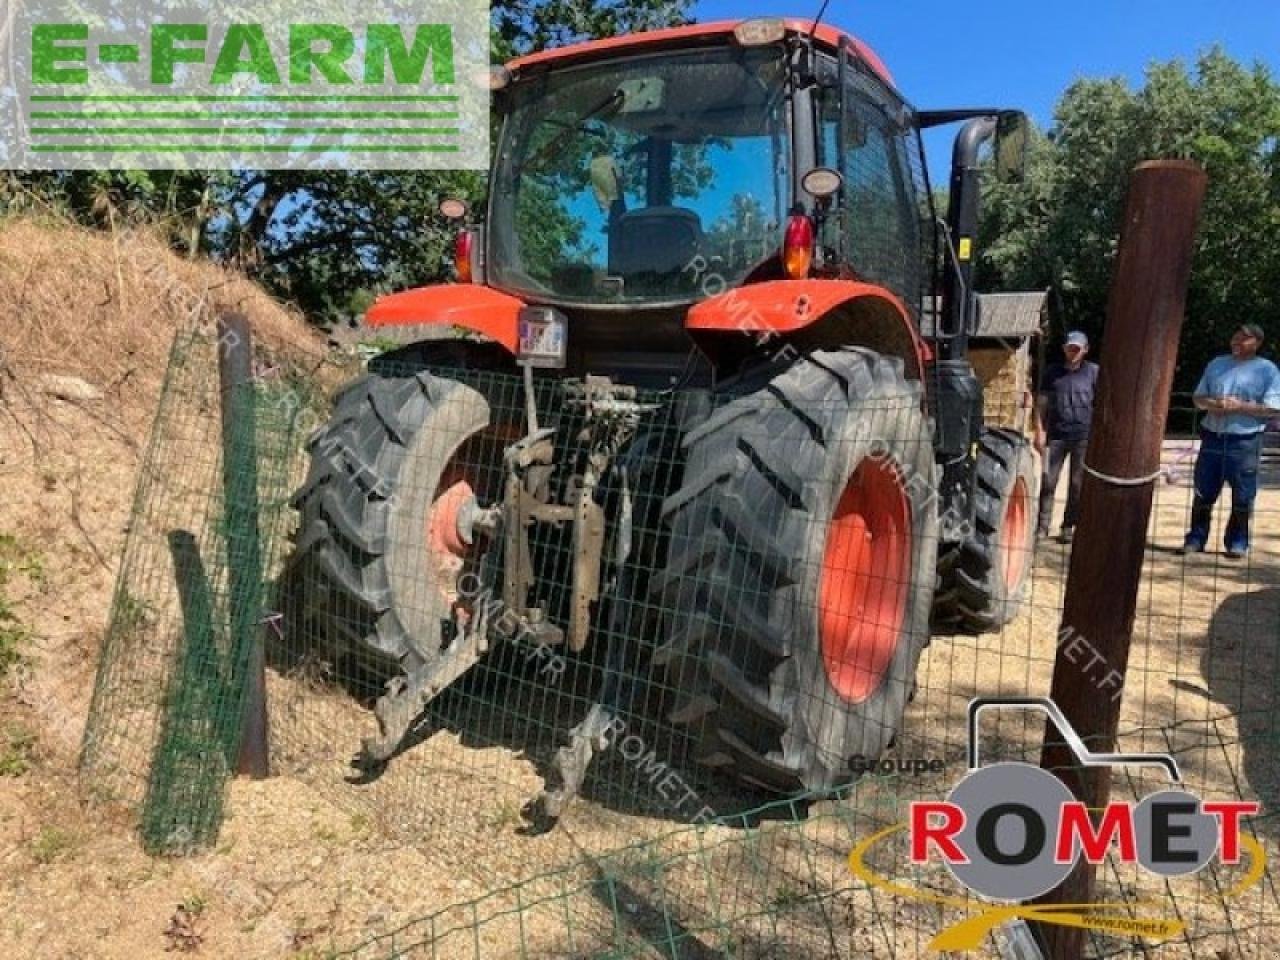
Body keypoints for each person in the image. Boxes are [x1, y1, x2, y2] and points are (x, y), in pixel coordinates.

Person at [1181, 323, 1280, 559]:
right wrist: (1213, 404)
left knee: (1243, 496)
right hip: (1212, 437)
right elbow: (1198, 398)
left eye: (1244, 338)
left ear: (1257, 343)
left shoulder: (1268, 371)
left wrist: (1240, 406)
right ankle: (1195, 539)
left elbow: (1273, 409)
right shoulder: (1216, 364)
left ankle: (1237, 543)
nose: (1236, 341)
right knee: (1203, 491)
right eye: (1235, 336)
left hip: (1245, 441)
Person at [1035, 331, 1100, 543]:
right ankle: (1042, 527)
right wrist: (1039, 430)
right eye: (1070, 348)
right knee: (1048, 482)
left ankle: (1068, 526)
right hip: (1055, 437)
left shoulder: (1093, 372)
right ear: (1064, 348)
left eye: (1077, 349)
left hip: (1083, 437)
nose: (1073, 352)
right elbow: (1041, 403)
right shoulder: (1052, 372)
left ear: (1085, 350)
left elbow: (1101, 404)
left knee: (1077, 485)